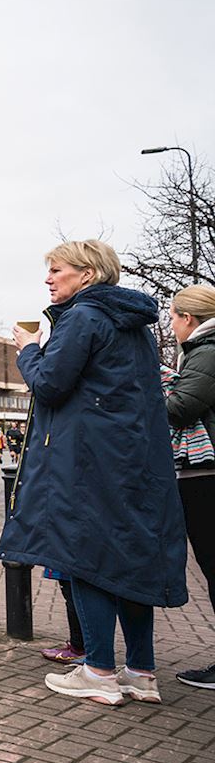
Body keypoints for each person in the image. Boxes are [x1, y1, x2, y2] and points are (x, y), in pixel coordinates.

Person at [0, 240, 186, 707]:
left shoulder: (83, 317)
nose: (48, 279)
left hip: (88, 460)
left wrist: (29, 351)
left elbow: (50, 385)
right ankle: (141, 671)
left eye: (56, 270)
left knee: (85, 557)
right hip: (133, 458)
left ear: (86, 274)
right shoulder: (135, 325)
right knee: (131, 559)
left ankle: (99, 670)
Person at [165, 284, 215, 689]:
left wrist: (154, 390)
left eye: (173, 316)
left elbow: (180, 408)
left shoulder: (207, 352)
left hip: (207, 478)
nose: (171, 323)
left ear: (188, 319)